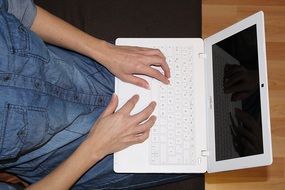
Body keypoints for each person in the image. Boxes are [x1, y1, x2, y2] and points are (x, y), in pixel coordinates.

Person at [0, 0, 195, 189]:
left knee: (194, 75)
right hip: (72, 152)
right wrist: (95, 148)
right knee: (194, 151)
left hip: (79, 69)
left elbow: (17, 8)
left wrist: (104, 50)